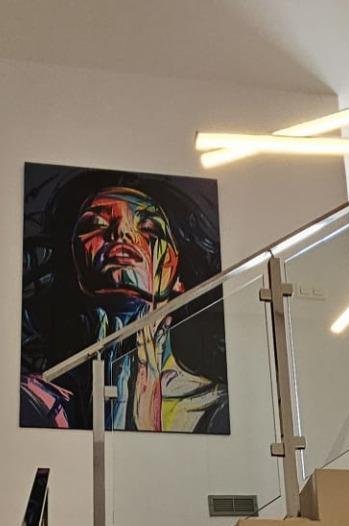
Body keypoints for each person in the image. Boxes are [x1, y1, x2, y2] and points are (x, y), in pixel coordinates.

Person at [21, 172, 229, 433]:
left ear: (180, 278)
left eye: (149, 228)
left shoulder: (216, 408)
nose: (120, 232)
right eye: (95, 224)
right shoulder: (35, 400)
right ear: (73, 264)